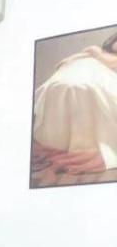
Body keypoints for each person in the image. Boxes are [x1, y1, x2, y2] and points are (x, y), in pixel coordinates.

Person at [32, 31, 117, 179]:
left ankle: (81, 142)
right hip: (85, 68)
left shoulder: (100, 54)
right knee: (67, 85)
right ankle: (59, 139)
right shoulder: (96, 52)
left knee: (83, 88)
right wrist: (85, 57)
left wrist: (97, 54)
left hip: (102, 75)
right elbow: (68, 61)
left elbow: (109, 62)